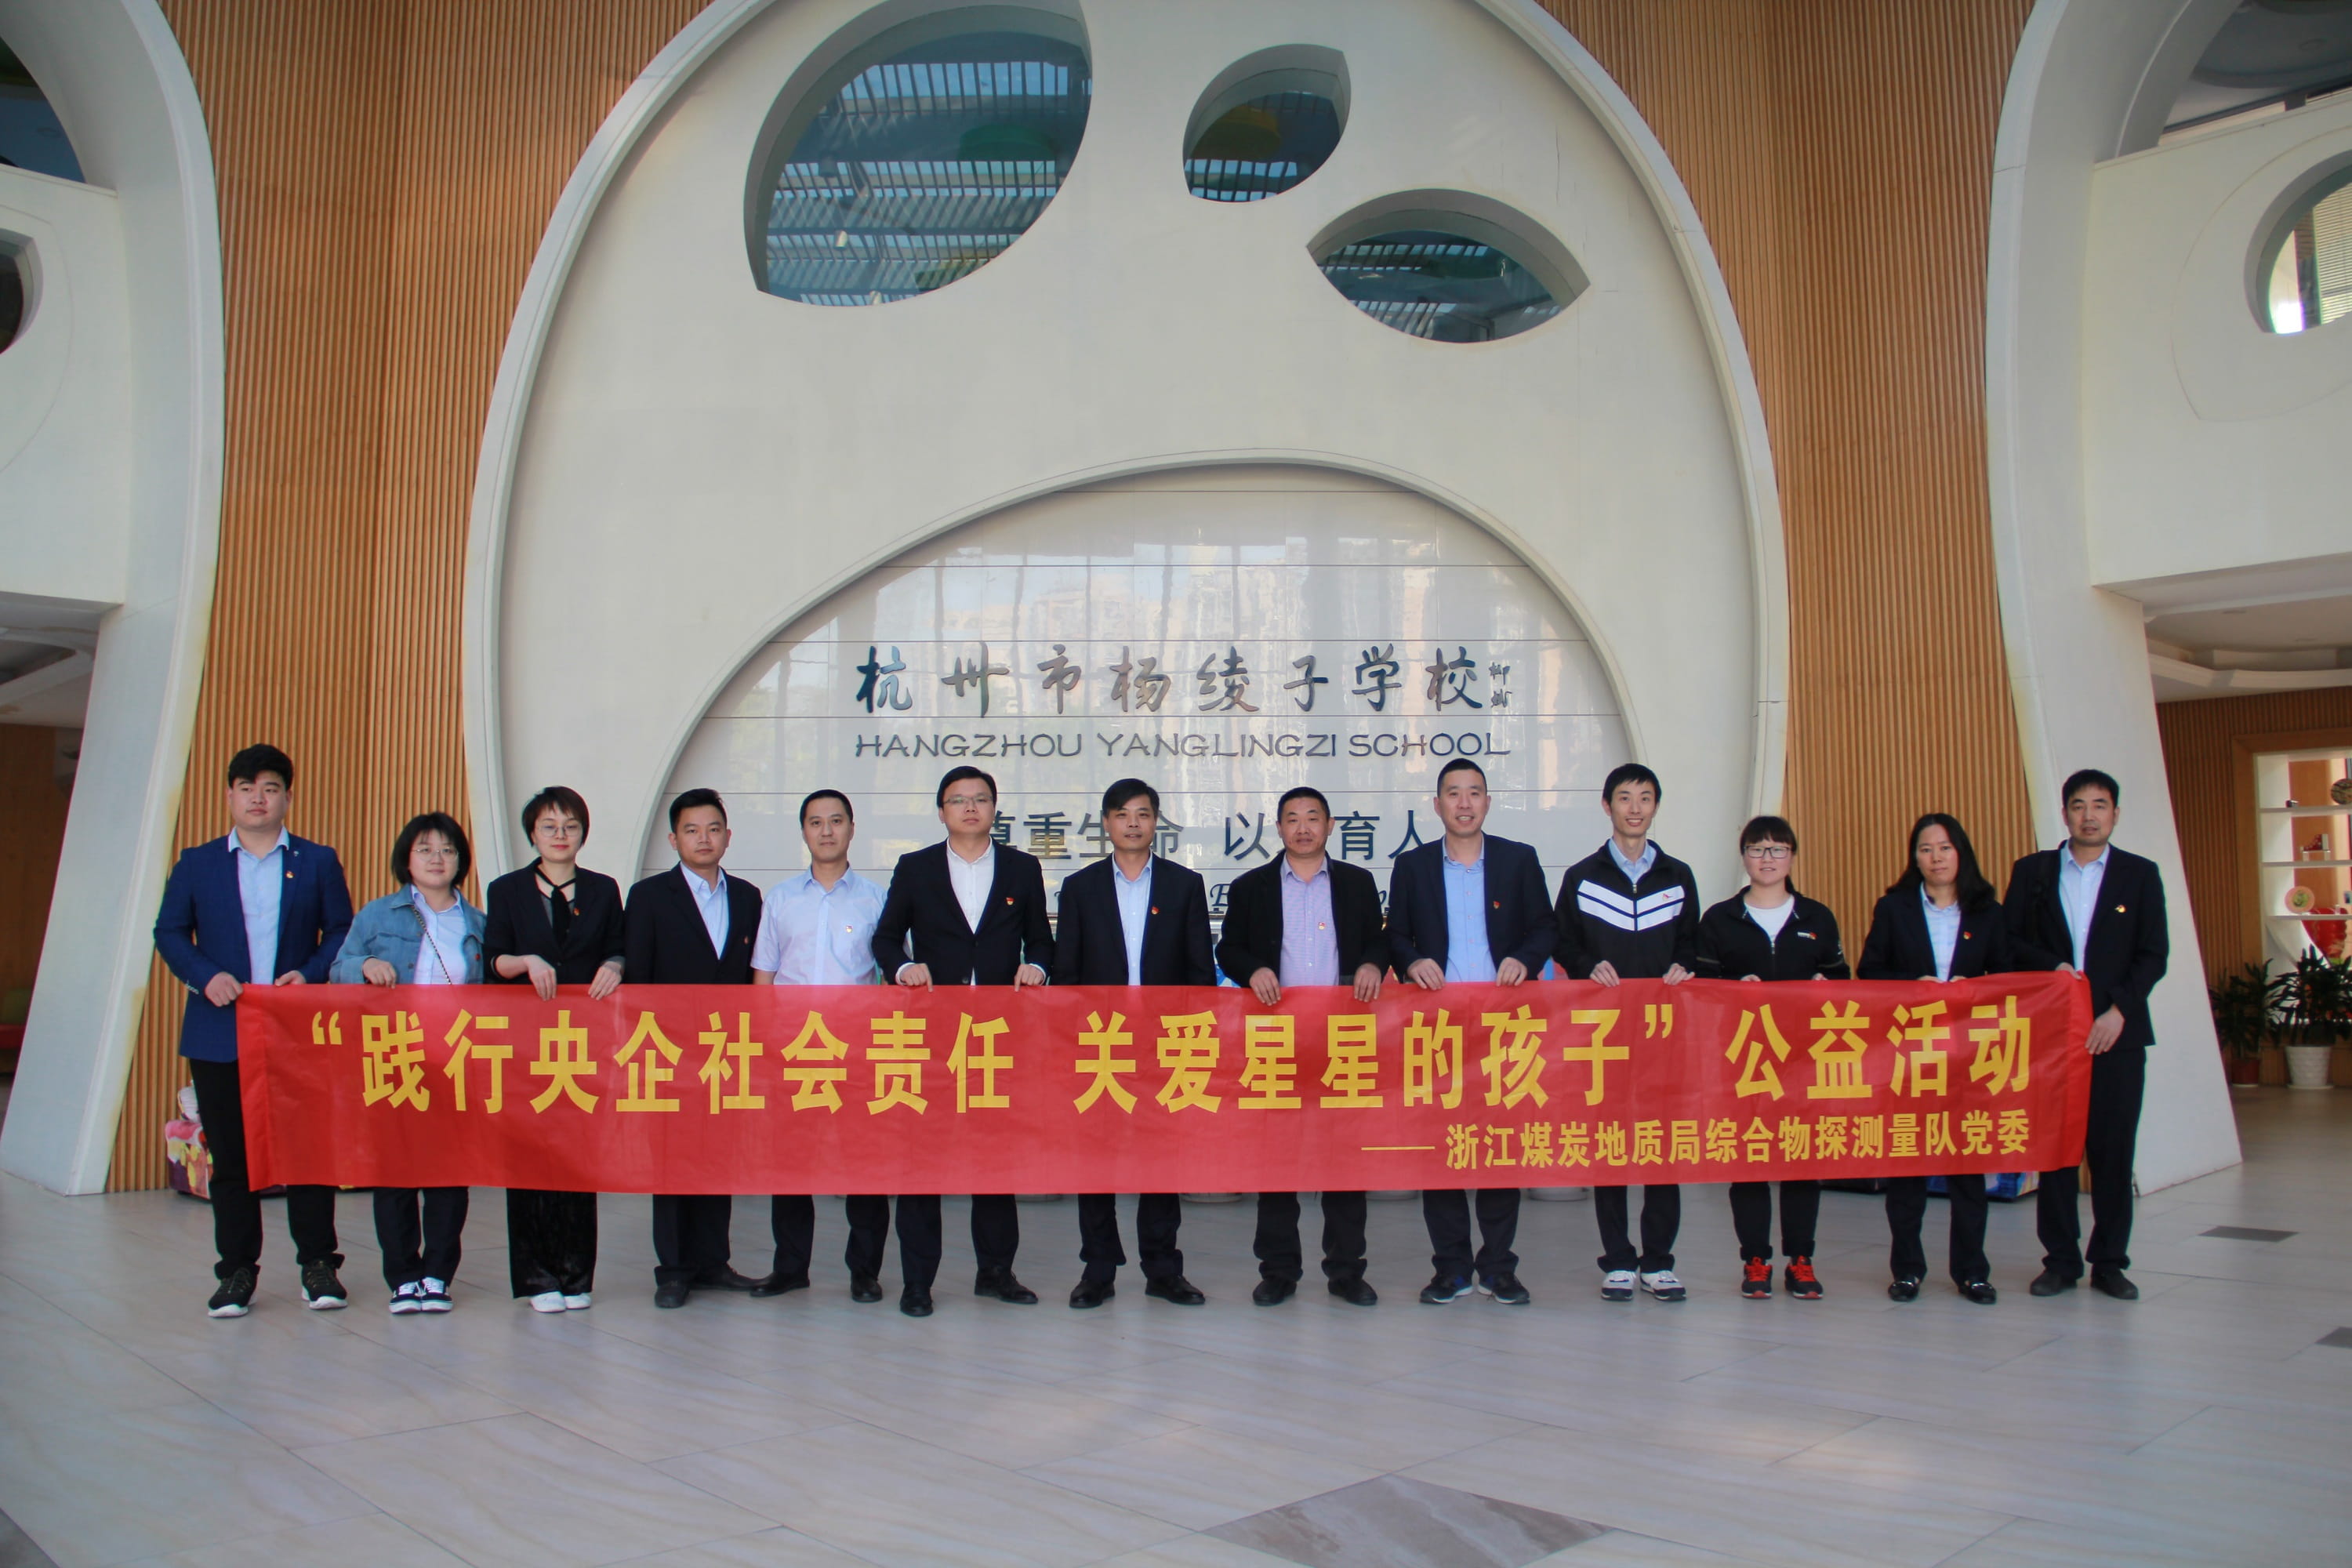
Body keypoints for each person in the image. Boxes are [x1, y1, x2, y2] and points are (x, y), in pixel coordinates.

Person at [154, 744, 354, 1318]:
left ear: (287, 797)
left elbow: (341, 930)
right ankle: (237, 1271)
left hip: (297, 1030)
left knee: (307, 1151)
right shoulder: (198, 863)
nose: (258, 799)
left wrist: (310, 974)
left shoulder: (317, 861)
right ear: (230, 796)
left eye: (269, 788)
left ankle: (319, 1266)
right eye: (246, 789)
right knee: (233, 1157)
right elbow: (169, 932)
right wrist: (205, 976)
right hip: (221, 1029)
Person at [869, 765, 1053, 1317]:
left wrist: (1039, 967)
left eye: (980, 799)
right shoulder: (916, 867)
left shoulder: (1021, 867)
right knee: (921, 1161)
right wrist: (903, 969)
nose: (970, 808)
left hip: (998, 1036)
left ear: (995, 808)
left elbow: (1042, 941)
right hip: (930, 1036)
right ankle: (917, 1282)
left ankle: (996, 1273)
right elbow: (885, 938)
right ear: (941, 811)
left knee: (995, 1161)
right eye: (958, 800)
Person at [1386, 758, 1555, 1308]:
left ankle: (1499, 1267)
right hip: (1438, 1029)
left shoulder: (1518, 860)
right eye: (1453, 793)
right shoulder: (1412, 867)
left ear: (1487, 802)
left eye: (1474, 792)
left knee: (1500, 1149)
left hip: (1504, 1027)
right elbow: (1396, 934)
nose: (1464, 803)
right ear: (1436, 805)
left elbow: (1544, 926)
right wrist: (1412, 962)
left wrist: (1525, 960)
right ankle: (1452, 1268)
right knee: (1442, 1152)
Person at [1215, 786, 1388, 1307]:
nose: (1304, 827)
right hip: (1275, 1038)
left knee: (1344, 1161)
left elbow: (1380, 939)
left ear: (1330, 826)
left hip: (1343, 1038)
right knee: (1277, 1160)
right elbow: (1229, 947)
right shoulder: (1251, 887)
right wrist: (1253, 970)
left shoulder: (1357, 883)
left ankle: (1346, 1271)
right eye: (1292, 818)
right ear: (1279, 829)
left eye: (1313, 817)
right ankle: (1278, 1271)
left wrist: (1371, 963)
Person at [2003, 768, 2169, 1302]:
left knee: (2112, 1152)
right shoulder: (2032, 871)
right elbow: (2008, 943)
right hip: (2052, 1033)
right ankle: (2060, 1261)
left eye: (2100, 805)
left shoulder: (2139, 875)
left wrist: (2119, 1010)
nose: (2089, 816)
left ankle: (2110, 1263)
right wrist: (2050, 967)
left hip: (2116, 1034)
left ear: (2115, 814)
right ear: (2065, 813)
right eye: (2079, 805)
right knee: (2056, 1150)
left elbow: (2153, 954)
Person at [1052, 778, 1215, 1308]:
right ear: (1106, 823)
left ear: (1155, 823)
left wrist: (1194, 1039)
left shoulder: (1184, 885)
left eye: (1143, 814)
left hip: (1165, 1047)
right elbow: (1067, 975)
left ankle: (1163, 1269)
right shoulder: (1080, 888)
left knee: (1161, 1161)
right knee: (1096, 1160)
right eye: (1122, 814)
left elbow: (1199, 973)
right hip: (1101, 1045)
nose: (1132, 823)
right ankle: (1097, 1270)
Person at [1858, 811, 2026, 1305]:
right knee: (1907, 1168)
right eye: (1926, 849)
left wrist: (1974, 990)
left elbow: (2008, 977)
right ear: (1915, 858)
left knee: (1967, 1169)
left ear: (1961, 853)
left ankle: (1971, 1271)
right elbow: (1870, 972)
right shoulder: (1895, 908)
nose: (1936, 858)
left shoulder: (1987, 912)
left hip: (1970, 1058)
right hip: (1911, 1057)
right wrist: (1913, 987)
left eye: (1945, 848)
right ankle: (1907, 1269)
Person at [1553, 763, 1700, 1302]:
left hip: (1663, 1032)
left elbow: (1692, 941)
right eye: (1624, 797)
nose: (1634, 808)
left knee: (1662, 1144)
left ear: (1656, 806)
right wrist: (1586, 965)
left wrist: (1686, 965)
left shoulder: (1678, 875)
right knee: (1610, 1144)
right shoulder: (1582, 876)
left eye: (1644, 798)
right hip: (1604, 1034)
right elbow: (1562, 940)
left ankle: (1659, 1261)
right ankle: (1617, 1259)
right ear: (1606, 805)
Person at [333, 812, 484, 1314]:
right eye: (425, 849)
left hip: (455, 1059)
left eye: (447, 850)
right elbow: (337, 969)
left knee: (448, 1172)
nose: (437, 859)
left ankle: (438, 1275)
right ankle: (402, 1277)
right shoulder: (378, 915)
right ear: (407, 858)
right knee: (395, 1172)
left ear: (460, 860)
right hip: (393, 1054)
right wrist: (364, 965)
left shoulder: (477, 922)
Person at [1693, 815, 1849, 1300]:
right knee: (1750, 1159)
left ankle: (1801, 1259)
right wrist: (1733, 989)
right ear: (1744, 857)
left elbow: (1843, 982)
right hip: (1745, 1060)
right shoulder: (1720, 919)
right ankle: (1755, 1260)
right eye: (1757, 849)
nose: (1767, 858)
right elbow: (1701, 990)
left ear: (1792, 858)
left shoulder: (1816, 918)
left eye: (1778, 849)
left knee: (1802, 1160)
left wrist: (1825, 986)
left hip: (1806, 1059)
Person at [626, 788, 768, 1308]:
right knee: (671, 1162)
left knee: (717, 1158)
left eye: (713, 829)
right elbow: (637, 979)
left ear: (728, 837)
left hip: (727, 1053)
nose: (703, 839)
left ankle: (713, 1262)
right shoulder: (648, 897)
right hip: (668, 1052)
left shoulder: (748, 897)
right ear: (673, 839)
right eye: (691, 830)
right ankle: (673, 1270)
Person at [483, 785, 622, 1313]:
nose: (560, 835)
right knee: (529, 1156)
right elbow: (493, 960)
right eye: (549, 826)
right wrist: (526, 962)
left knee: (578, 1156)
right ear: (532, 834)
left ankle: (576, 1273)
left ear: (583, 833)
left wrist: (616, 965)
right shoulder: (507, 890)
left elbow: (620, 947)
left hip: (584, 1042)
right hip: (525, 1042)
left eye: (570, 826)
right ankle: (538, 1277)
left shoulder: (604, 889)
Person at [750, 787, 886, 1304]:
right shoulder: (780, 899)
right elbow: (764, 976)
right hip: (796, 1052)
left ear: (852, 828)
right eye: (815, 822)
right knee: (791, 1166)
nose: (826, 831)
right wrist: (766, 1046)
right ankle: (790, 1268)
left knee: (864, 1167)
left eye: (836, 820)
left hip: (858, 1054)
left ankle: (865, 1272)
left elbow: (895, 973)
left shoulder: (876, 898)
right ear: (804, 831)